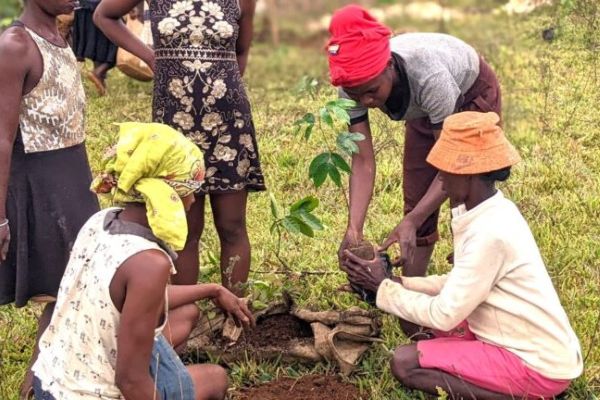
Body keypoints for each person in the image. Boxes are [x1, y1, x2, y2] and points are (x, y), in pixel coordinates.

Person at [342, 111, 583, 399]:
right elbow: (460, 282)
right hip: (517, 338)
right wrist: (396, 284)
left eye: (445, 170)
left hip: (537, 364)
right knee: (410, 315)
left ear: (466, 173)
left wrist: (381, 288)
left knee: (405, 363)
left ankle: (520, 395)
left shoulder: (489, 233)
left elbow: (444, 315)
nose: (441, 179)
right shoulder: (492, 210)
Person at [32, 122, 255, 400]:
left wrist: (214, 290)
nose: (192, 201)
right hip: (87, 393)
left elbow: (124, 298)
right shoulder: (150, 263)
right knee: (215, 379)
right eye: (191, 190)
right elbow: (130, 381)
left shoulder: (101, 221)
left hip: (51, 380)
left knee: (186, 314)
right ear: (172, 194)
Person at [94, 0, 266, 292]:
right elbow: (103, 16)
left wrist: (224, 87)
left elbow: (242, 49)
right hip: (175, 120)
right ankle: (186, 315)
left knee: (232, 224)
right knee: (184, 228)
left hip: (228, 120)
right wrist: (150, 57)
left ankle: (236, 311)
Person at [328, 5, 502, 279]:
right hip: (425, 110)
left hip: (468, 96)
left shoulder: (430, 79)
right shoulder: (350, 86)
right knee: (418, 193)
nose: (366, 102)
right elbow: (362, 160)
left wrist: (412, 220)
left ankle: (475, 269)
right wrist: (354, 229)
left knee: (469, 190)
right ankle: (411, 291)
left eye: (372, 91)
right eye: (356, 95)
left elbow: (452, 166)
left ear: (388, 66)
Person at [0, 0, 100, 398]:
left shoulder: (60, 36)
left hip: (73, 179)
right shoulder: (15, 46)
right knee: (62, 293)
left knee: (71, 292)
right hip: (40, 187)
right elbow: (2, 137)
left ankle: (39, 385)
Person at [72, 0, 121, 95]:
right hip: (99, 8)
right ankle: (99, 72)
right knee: (119, 42)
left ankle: (101, 83)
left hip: (84, 7)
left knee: (98, 45)